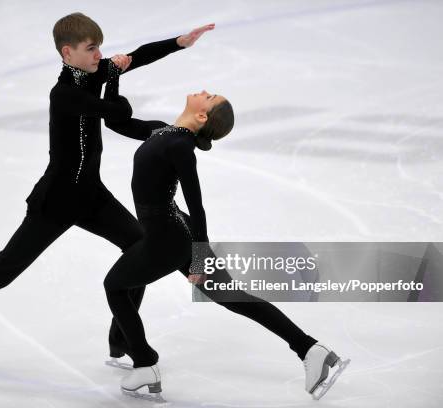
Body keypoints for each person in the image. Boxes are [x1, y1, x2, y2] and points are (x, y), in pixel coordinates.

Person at [0, 12, 216, 380]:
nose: (99, 54)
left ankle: (124, 337)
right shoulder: (65, 94)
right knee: (2, 271)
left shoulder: (92, 71)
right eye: (91, 48)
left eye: (100, 46)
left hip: (91, 195)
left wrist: (178, 43)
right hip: (56, 201)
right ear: (67, 53)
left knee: (140, 252)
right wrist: (116, 77)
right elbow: (117, 111)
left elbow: (136, 55)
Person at [101, 64, 350, 401]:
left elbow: (198, 205)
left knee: (115, 286)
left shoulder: (180, 147)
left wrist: (200, 259)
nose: (204, 91)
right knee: (235, 297)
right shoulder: (162, 131)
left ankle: (145, 363)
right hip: (175, 230)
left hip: (168, 237)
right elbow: (114, 121)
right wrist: (113, 76)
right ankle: (310, 349)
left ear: (202, 116)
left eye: (210, 96)